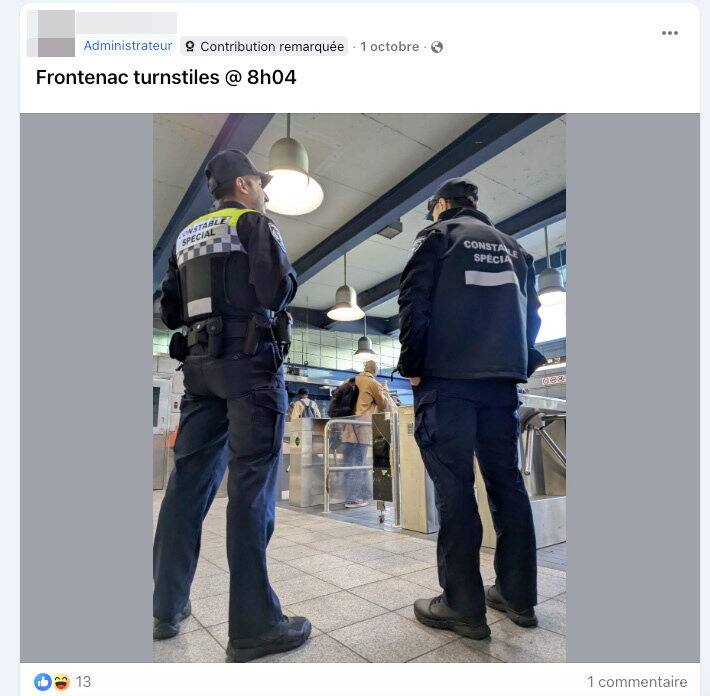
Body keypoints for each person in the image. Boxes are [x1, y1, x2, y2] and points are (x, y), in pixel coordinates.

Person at [153, 149, 311, 662]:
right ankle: (254, 625)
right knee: (250, 488)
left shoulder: (185, 237)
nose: (263, 192)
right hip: (252, 367)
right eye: (259, 184)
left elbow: (170, 310)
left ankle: (166, 606)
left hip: (200, 371)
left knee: (186, 487)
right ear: (243, 184)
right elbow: (277, 289)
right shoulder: (253, 224)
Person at [397, 177, 546, 640]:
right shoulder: (516, 250)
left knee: (455, 488)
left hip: (448, 382)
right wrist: (519, 363)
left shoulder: (438, 236)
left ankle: (462, 605)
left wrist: (413, 365)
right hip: (501, 386)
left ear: (441, 204)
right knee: (508, 485)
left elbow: (414, 301)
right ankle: (518, 597)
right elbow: (532, 317)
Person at [339, 360, 388, 508]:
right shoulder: (372, 383)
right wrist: (384, 390)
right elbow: (383, 405)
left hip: (346, 427)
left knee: (349, 464)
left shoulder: (350, 381)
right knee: (358, 463)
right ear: (374, 370)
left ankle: (353, 495)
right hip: (361, 429)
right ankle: (353, 499)